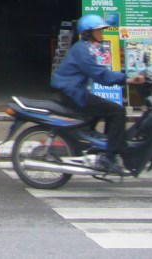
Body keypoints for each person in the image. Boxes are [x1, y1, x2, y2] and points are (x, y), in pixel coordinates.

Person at [51, 14, 145, 176]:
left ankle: (104, 147)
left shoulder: (85, 48)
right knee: (118, 111)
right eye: (98, 31)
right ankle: (109, 157)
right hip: (74, 94)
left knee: (107, 110)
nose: (101, 34)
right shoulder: (82, 50)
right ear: (88, 32)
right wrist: (127, 79)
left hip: (74, 92)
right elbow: (100, 74)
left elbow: (99, 74)